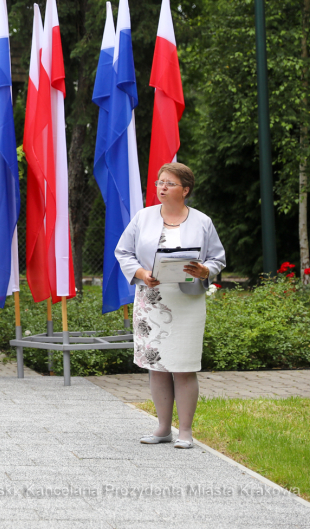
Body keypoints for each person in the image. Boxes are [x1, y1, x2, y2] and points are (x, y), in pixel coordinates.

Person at [114, 162, 226, 449]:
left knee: (184, 367)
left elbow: (217, 258)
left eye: (169, 183)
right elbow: (123, 251)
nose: (162, 187)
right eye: (159, 182)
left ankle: (185, 431)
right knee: (158, 366)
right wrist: (141, 273)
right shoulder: (143, 217)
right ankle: (163, 428)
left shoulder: (202, 221)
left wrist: (205, 270)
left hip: (187, 302)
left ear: (185, 190)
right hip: (151, 300)